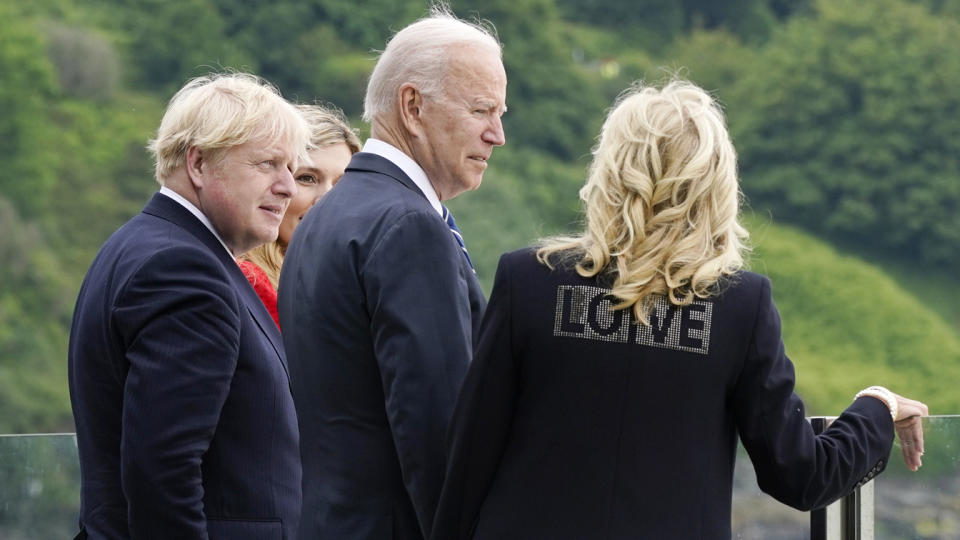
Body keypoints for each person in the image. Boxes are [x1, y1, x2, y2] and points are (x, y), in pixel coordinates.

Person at [430, 80, 928, 540]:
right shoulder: (738, 306)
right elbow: (800, 476)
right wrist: (876, 408)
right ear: (715, 185)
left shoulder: (528, 280)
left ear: (609, 170)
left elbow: (467, 462)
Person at [277, 5, 507, 539]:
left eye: (501, 113)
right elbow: (437, 430)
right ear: (412, 106)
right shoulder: (409, 227)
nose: (497, 134)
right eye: (482, 110)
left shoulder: (324, 217)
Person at [68, 72, 309, 539]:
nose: (287, 187)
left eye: (292, 169)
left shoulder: (146, 246)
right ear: (198, 163)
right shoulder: (183, 269)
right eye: (268, 164)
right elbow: (164, 471)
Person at [238, 104, 361, 328]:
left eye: (343, 184)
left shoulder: (359, 284)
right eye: (307, 178)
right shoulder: (247, 286)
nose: (327, 199)